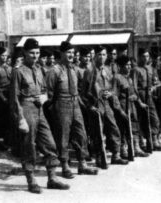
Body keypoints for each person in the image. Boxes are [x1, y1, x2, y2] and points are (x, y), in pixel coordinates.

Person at [10, 38, 69, 194]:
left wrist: (45, 97)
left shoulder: (39, 69)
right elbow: (14, 98)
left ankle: (52, 178)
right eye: (32, 53)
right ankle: (31, 181)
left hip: (39, 110)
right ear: (24, 53)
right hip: (26, 109)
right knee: (29, 146)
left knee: (50, 144)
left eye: (37, 53)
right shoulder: (18, 71)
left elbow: (45, 90)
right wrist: (20, 119)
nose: (35, 56)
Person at [46, 41, 98, 179]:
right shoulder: (54, 71)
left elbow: (80, 89)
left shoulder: (74, 69)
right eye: (68, 53)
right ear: (62, 53)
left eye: (72, 53)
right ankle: (65, 166)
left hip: (76, 105)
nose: (71, 55)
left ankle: (82, 164)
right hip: (61, 106)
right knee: (63, 137)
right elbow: (49, 93)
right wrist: (54, 109)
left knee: (81, 134)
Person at [82, 45, 129, 168]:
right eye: (99, 55)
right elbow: (83, 92)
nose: (102, 57)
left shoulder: (108, 70)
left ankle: (116, 155)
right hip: (96, 104)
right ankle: (99, 157)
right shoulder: (89, 71)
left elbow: (113, 87)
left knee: (113, 128)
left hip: (107, 103)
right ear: (95, 56)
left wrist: (111, 93)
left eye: (104, 55)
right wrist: (89, 106)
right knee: (97, 132)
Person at [115, 56, 149, 157]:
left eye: (130, 65)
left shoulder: (129, 78)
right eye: (127, 65)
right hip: (123, 106)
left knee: (134, 126)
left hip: (132, 106)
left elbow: (134, 92)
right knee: (122, 128)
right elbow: (114, 96)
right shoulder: (116, 78)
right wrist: (120, 110)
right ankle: (123, 149)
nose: (129, 67)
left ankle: (136, 147)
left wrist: (140, 102)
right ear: (121, 66)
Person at [133, 49, 161, 151]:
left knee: (154, 119)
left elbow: (158, 82)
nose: (145, 58)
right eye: (143, 56)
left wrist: (154, 87)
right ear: (139, 57)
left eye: (147, 56)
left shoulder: (150, 69)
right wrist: (139, 101)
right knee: (140, 120)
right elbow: (133, 86)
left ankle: (154, 141)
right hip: (140, 95)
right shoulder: (135, 70)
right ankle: (141, 143)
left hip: (149, 96)